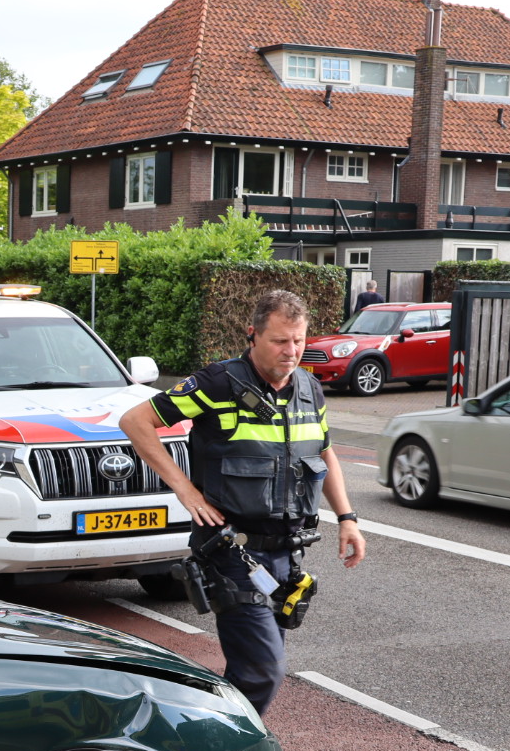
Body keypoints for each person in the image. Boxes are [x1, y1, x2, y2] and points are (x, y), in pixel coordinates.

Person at [121, 289, 365, 716]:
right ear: (252, 334)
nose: (291, 352)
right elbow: (136, 420)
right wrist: (185, 489)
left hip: (287, 554)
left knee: (254, 669)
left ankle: (204, 737)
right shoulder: (217, 383)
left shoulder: (309, 387)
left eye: (299, 340)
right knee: (262, 671)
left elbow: (324, 452)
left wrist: (347, 518)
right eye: (279, 341)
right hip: (232, 550)